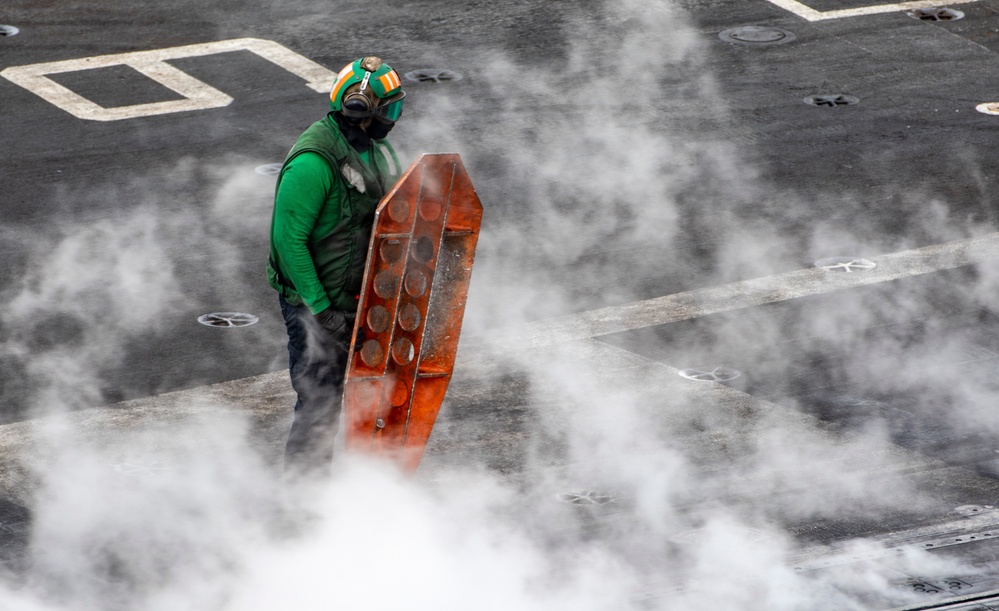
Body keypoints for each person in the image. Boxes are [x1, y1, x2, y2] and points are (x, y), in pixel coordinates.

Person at [267, 56, 405, 483]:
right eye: (390, 108)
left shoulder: (375, 150)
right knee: (320, 406)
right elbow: (288, 243)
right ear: (365, 108)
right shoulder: (313, 163)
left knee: (371, 403)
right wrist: (324, 311)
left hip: (359, 302)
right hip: (316, 307)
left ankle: (351, 500)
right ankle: (301, 508)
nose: (393, 118)